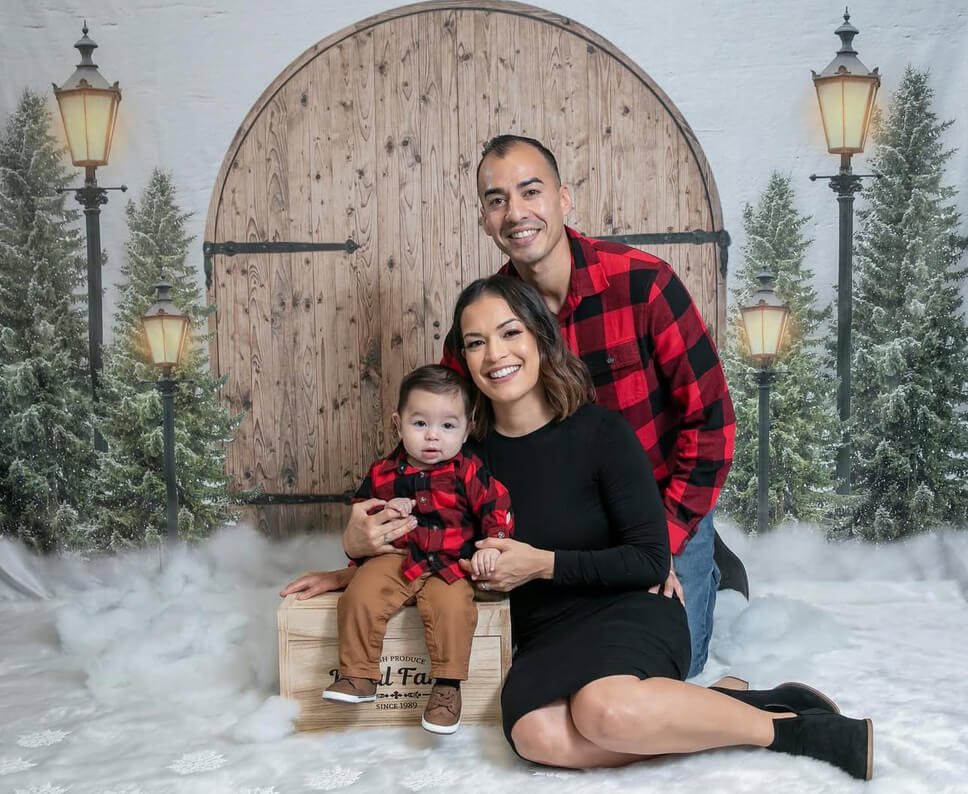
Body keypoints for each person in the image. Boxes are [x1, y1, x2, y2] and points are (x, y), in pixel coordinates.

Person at [283, 276, 873, 780]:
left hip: (626, 607)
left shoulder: (601, 433)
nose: (496, 354)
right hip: (543, 629)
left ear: (540, 336)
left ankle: (792, 731)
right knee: (537, 736)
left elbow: (647, 559)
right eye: (477, 342)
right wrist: (349, 567)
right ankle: (713, 706)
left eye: (510, 332)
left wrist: (540, 563)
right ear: (464, 359)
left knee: (604, 713)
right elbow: (423, 539)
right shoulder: (459, 450)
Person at [439, 134, 739, 676]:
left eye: (531, 191)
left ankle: (709, 560)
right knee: (539, 668)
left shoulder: (645, 285)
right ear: (484, 218)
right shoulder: (484, 322)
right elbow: (441, 436)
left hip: (659, 507)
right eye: (496, 199)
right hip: (558, 525)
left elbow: (711, 422)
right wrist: (366, 549)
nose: (515, 213)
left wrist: (662, 542)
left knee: (674, 668)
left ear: (563, 198)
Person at [320, 364, 513, 735]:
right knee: (361, 594)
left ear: (467, 428)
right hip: (398, 558)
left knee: (453, 608)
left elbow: (497, 506)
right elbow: (362, 519)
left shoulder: (469, 471)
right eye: (420, 424)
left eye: (447, 426)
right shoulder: (382, 473)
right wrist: (385, 510)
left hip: (450, 564)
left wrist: (495, 544)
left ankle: (447, 687)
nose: (432, 437)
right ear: (398, 424)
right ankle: (357, 675)